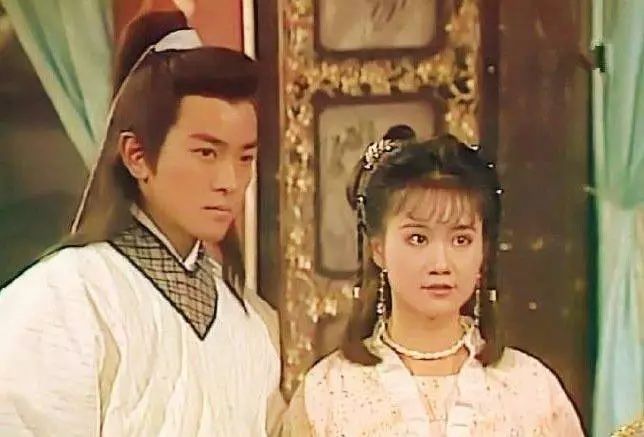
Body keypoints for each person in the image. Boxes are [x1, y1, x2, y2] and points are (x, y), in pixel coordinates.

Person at [0, 11, 282, 436]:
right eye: (206, 153)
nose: (230, 181)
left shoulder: (249, 322)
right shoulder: (65, 298)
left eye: (245, 158)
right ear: (137, 156)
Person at [280, 126, 584, 436]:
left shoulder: (531, 390)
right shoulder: (328, 394)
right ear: (378, 250)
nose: (441, 264)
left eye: (461, 240)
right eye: (418, 238)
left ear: (483, 251)